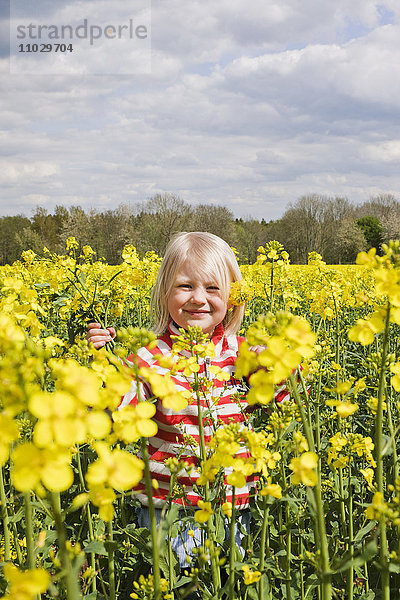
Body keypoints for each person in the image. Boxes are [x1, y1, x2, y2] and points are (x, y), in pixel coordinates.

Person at [86, 232, 290, 567]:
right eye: (185, 287)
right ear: (164, 293)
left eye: (213, 288)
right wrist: (105, 366)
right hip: (173, 511)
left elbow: (287, 399)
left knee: (228, 582)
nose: (199, 299)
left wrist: (277, 365)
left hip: (233, 505)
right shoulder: (150, 357)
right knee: (184, 586)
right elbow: (118, 410)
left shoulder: (240, 353)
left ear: (233, 297)